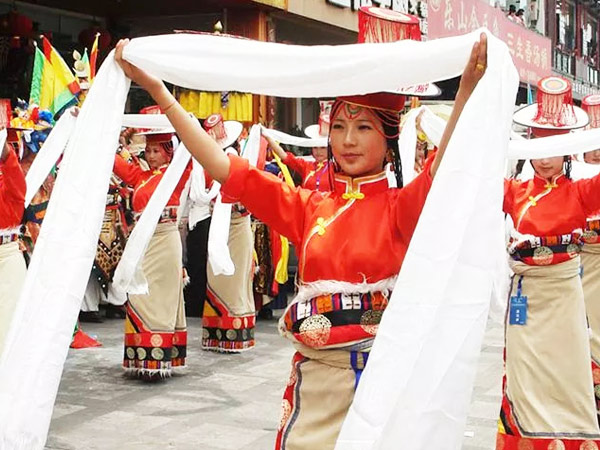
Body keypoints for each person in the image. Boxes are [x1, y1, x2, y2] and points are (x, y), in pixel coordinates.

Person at [115, 28, 487, 447]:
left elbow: (447, 163)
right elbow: (221, 165)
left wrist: (467, 92)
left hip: (380, 389)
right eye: (340, 126)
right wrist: (159, 93)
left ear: (389, 140)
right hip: (313, 386)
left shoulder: (401, 207)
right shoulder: (309, 207)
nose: (347, 140)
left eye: (363, 127)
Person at [499, 77, 600, 448]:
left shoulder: (580, 193)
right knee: (523, 380)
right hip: (525, 300)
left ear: (568, 150)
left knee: (567, 377)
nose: (544, 158)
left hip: (565, 302)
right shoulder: (513, 192)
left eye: (554, 148)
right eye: (538, 146)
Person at [113, 127, 190, 380]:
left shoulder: (176, 173)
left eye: (156, 150)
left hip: (165, 240)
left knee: (159, 297)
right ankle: (143, 355)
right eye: (148, 150)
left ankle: (158, 356)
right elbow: (116, 164)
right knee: (138, 295)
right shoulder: (141, 176)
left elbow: (192, 154)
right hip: (143, 243)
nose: (151, 155)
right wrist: (109, 134)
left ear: (169, 153)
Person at [200, 113, 256, 353]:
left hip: (237, 225)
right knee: (218, 277)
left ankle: (234, 332)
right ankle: (219, 333)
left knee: (235, 279)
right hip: (219, 227)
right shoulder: (211, 166)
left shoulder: (239, 164)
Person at [265, 105, 333, 191]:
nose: (318, 151)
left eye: (322, 148)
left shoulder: (336, 168)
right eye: (315, 147)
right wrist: (268, 138)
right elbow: (285, 157)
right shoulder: (306, 166)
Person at [0, 137, 26, 357]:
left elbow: (10, 165)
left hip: (7, 257)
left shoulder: (11, 185)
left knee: (7, 323)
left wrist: (4, 145)